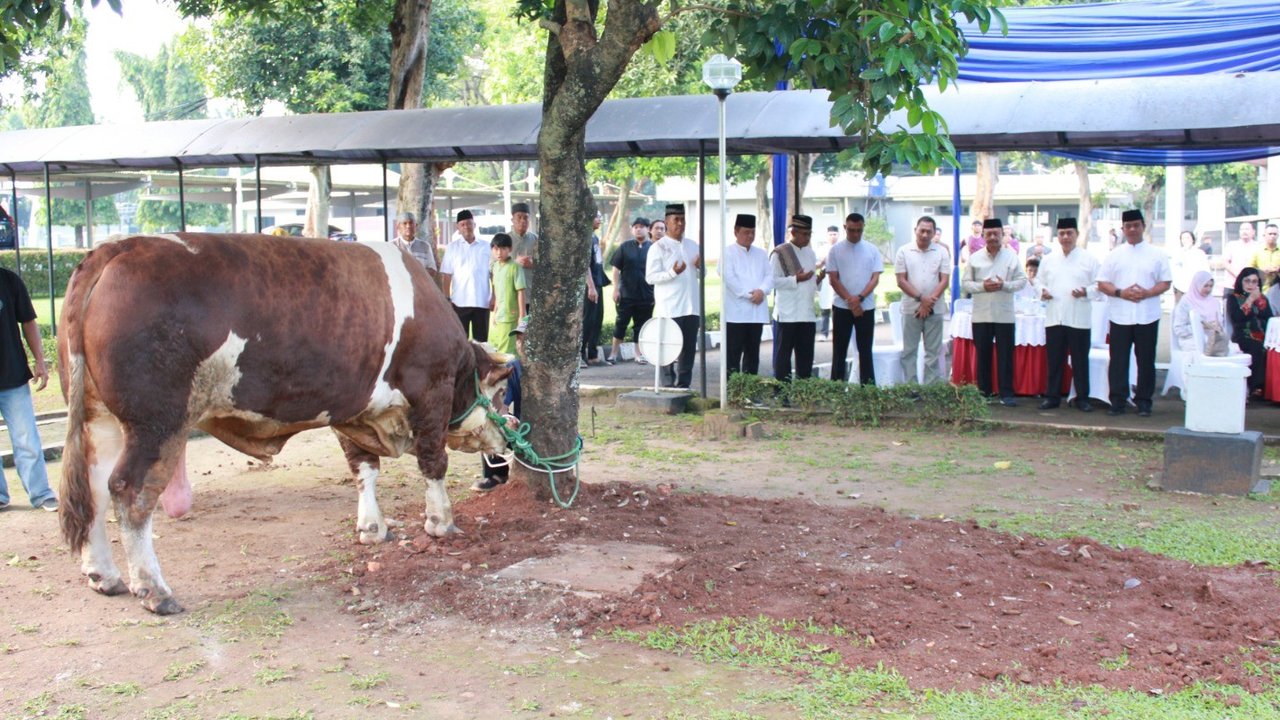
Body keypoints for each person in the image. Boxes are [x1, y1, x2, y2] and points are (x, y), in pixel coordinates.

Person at [1096, 209, 1172, 417]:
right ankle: (1118, 400)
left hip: (1147, 314)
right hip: (1120, 314)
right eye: (1128, 226)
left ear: (1142, 227)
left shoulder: (1157, 254)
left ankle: (1144, 401)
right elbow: (1102, 283)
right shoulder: (1114, 255)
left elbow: (1165, 282)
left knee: (1145, 359)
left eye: (1136, 225)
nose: (1132, 229)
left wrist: (1147, 292)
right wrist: (1121, 292)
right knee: (1118, 359)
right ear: (1123, 228)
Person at [0, 267, 56, 511]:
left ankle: (41, 494)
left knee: (27, 439)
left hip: (13, 377)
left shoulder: (9, 281)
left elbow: (28, 322)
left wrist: (40, 361)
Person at [962, 217, 1026, 406]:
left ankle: (1006, 393)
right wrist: (983, 286)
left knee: (1006, 355)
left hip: (1004, 315)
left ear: (1002, 235)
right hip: (981, 315)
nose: (992, 237)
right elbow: (965, 284)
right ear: (983, 235)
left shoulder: (1011, 257)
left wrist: (1003, 284)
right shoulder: (974, 258)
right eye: (988, 234)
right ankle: (984, 393)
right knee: (983, 355)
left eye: (996, 233)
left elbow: (1022, 281)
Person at [1037, 218, 1099, 412]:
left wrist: (1086, 292)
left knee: (1080, 360)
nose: (1065, 237)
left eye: (1069, 233)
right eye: (1062, 233)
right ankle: (1052, 397)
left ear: (1076, 235)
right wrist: (1043, 291)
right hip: (1055, 317)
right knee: (1054, 360)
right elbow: (1038, 281)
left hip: (1079, 317)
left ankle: (1082, 398)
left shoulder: (1089, 259)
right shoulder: (1048, 259)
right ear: (1057, 236)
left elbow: (1099, 284)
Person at [645, 203, 700, 389]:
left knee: (688, 349)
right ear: (667, 222)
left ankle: (683, 385)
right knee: (667, 347)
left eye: (683, 220)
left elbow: (701, 274)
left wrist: (700, 267)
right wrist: (672, 273)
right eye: (676, 220)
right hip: (669, 307)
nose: (680, 224)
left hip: (691, 306)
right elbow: (650, 277)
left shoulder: (692, 245)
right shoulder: (658, 247)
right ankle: (667, 385)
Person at [894, 215, 951, 385]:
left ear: (934, 233)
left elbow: (944, 280)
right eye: (922, 231)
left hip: (935, 308)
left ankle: (930, 388)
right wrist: (921, 299)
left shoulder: (942, 251)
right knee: (909, 350)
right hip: (911, 308)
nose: (925, 235)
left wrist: (929, 302)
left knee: (933, 351)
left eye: (929, 231)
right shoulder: (903, 251)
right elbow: (901, 280)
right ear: (915, 231)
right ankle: (911, 388)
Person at [473, 315, 527, 492]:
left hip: (545, 431)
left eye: (526, 340)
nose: (520, 344)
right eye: (519, 340)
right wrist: (506, 418)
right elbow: (501, 403)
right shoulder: (514, 367)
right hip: (520, 427)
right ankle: (496, 475)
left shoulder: (554, 370)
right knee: (491, 421)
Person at [827, 212, 881, 384]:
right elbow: (833, 279)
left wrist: (860, 298)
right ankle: (836, 387)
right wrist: (850, 300)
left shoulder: (872, 249)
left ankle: (868, 389)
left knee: (865, 350)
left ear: (863, 227)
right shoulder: (835, 250)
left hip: (866, 306)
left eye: (859, 230)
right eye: (851, 230)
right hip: (842, 306)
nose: (855, 234)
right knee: (839, 350)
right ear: (845, 228)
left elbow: (875, 278)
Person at [720, 214, 773, 376]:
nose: (750, 236)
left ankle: (750, 390)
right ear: (736, 232)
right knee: (733, 355)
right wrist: (749, 295)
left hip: (756, 314)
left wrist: (762, 291)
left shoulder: (761, 253)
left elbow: (770, 276)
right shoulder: (728, 252)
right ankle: (733, 393)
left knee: (752, 355)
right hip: (736, 313)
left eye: (752, 232)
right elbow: (728, 277)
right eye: (746, 232)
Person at [771, 214, 819, 381]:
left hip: (806, 314)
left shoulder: (811, 254)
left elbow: (810, 282)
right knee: (783, 356)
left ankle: (802, 393)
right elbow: (772, 281)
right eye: (804, 234)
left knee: (805, 357)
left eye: (809, 234)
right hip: (787, 313)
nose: (807, 238)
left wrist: (818, 279)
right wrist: (796, 279)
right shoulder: (780, 253)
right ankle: (781, 393)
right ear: (794, 232)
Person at [440, 209, 493, 342]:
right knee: (460, 342)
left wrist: (494, 297)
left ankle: (480, 363)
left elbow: (493, 274)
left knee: (481, 343)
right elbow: (446, 275)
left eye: (469, 223)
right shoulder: (452, 248)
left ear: (474, 225)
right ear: (457, 227)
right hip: (459, 302)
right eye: (462, 224)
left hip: (482, 301)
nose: (466, 227)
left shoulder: (487, 247)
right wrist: (447, 299)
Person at [610, 217, 655, 364]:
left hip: (646, 294)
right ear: (632, 229)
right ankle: (613, 354)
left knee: (641, 325)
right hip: (626, 294)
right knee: (621, 323)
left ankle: (639, 354)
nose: (638, 229)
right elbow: (616, 269)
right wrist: (615, 289)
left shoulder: (654, 248)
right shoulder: (625, 247)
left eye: (642, 226)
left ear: (648, 229)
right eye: (635, 227)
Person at [1227, 267, 1271, 396]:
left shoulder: (1263, 299)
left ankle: (1270, 389)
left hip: (1263, 335)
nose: (1250, 285)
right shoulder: (1234, 298)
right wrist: (1250, 300)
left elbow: (1269, 318)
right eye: (1247, 281)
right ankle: (1255, 387)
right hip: (1244, 334)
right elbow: (1238, 317)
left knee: (1273, 349)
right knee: (1256, 347)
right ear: (1241, 281)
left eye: (1254, 281)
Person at [488, 233, 525, 354]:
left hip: (511, 314)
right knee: (504, 346)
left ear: (510, 249)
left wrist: (521, 316)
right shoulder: (495, 267)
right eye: (496, 249)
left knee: (506, 350)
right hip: (500, 315)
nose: (499, 252)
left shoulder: (515, 267)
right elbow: (498, 292)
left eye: (503, 249)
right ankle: (514, 371)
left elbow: (521, 292)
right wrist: (495, 312)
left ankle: (510, 371)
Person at [581, 213, 611, 366]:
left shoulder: (594, 237)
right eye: (596, 216)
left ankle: (592, 354)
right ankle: (580, 355)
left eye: (600, 216)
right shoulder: (583, 237)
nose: (599, 219)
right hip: (589, 285)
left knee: (597, 319)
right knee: (587, 319)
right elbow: (584, 264)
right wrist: (591, 286)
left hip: (598, 282)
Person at [1172, 270, 1222, 353]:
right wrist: (1200, 327)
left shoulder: (1214, 302)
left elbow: (1220, 324)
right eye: (1205, 286)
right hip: (1191, 340)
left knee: (1231, 348)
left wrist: (1216, 326)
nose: (1208, 289)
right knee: (1206, 349)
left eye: (1211, 286)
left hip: (1213, 338)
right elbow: (1179, 329)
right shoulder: (1186, 301)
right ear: (1197, 285)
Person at [510, 202, 538, 311]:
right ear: (512, 220)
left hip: (531, 295)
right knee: (515, 328)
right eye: (519, 217)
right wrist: (514, 263)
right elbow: (494, 266)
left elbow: (546, 265)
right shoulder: (505, 240)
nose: (522, 221)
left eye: (525, 218)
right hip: (511, 295)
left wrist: (533, 263)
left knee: (529, 327)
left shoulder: (536, 240)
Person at [391, 211, 438, 276]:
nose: (408, 226)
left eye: (411, 223)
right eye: (405, 223)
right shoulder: (391, 246)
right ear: (398, 227)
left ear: (416, 226)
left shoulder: (425, 246)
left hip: (420, 285)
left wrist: (417, 272)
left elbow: (433, 270)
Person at [1170, 230, 1209, 303]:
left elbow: (1206, 271)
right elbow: (1173, 269)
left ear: (1193, 239)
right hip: (1179, 287)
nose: (1185, 240)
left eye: (1187, 238)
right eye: (1183, 238)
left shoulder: (1199, 253)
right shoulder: (1177, 253)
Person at [815, 226, 838, 341]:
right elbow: (816, 265)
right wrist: (823, 260)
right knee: (825, 307)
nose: (833, 236)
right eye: (831, 234)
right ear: (827, 236)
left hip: (838, 280)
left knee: (837, 307)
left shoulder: (841, 248)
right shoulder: (822, 249)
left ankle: (837, 333)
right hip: (825, 279)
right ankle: (824, 333)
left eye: (835, 234)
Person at [1225, 222, 1257, 292]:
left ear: (1253, 232)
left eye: (1247, 229)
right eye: (1242, 229)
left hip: (1251, 286)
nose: (1244, 232)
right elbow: (1225, 262)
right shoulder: (1231, 245)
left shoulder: (1258, 246)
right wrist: (1238, 275)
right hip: (1232, 285)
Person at [1251, 224, 1280, 291]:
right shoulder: (1257, 251)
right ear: (1264, 236)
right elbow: (1249, 269)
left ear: (1278, 236)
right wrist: (1261, 271)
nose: (1272, 236)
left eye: (1275, 234)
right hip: (1262, 289)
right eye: (1270, 234)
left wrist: (1278, 269)